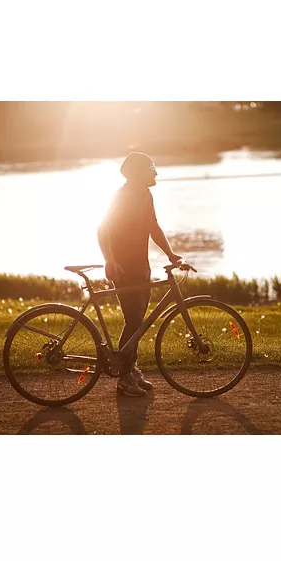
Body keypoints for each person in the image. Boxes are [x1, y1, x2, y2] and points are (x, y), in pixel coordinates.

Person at [97, 152, 182, 397]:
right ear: (136, 173)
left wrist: (171, 254)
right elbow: (102, 228)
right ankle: (124, 379)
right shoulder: (121, 197)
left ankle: (129, 369)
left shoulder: (145, 195)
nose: (155, 173)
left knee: (138, 324)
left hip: (142, 267)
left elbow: (153, 227)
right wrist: (109, 259)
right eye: (150, 168)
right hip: (124, 268)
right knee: (134, 322)